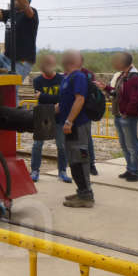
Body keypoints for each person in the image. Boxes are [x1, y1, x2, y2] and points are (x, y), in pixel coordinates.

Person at [95, 52, 138, 181]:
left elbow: (136, 99)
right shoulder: (123, 76)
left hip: (127, 116)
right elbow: (117, 93)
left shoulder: (134, 77)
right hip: (120, 114)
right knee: (125, 144)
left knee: (132, 145)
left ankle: (137, 172)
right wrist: (105, 87)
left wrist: (127, 113)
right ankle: (130, 169)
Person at [57, 50, 94, 207]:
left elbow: (80, 99)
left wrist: (69, 121)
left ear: (71, 61)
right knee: (74, 160)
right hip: (71, 126)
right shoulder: (68, 77)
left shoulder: (78, 76)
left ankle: (86, 196)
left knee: (80, 158)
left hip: (77, 125)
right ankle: (81, 191)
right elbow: (64, 102)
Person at [29, 54, 71, 183]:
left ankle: (62, 171)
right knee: (37, 145)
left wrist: (44, 96)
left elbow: (64, 98)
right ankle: (35, 171)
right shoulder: (37, 81)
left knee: (62, 146)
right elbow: (41, 98)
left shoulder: (62, 79)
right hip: (43, 116)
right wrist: (53, 101)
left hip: (60, 117)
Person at [0, 0, 38, 78]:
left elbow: (25, 5)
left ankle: (5, 71)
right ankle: (3, 70)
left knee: (10, 86)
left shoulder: (31, 14)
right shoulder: (11, 13)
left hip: (21, 62)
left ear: (25, 0)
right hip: (5, 57)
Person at [78, 54, 99, 176]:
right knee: (78, 140)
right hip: (77, 112)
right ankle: (84, 164)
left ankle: (90, 164)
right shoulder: (88, 74)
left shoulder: (88, 75)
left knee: (86, 139)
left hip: (85, 112)